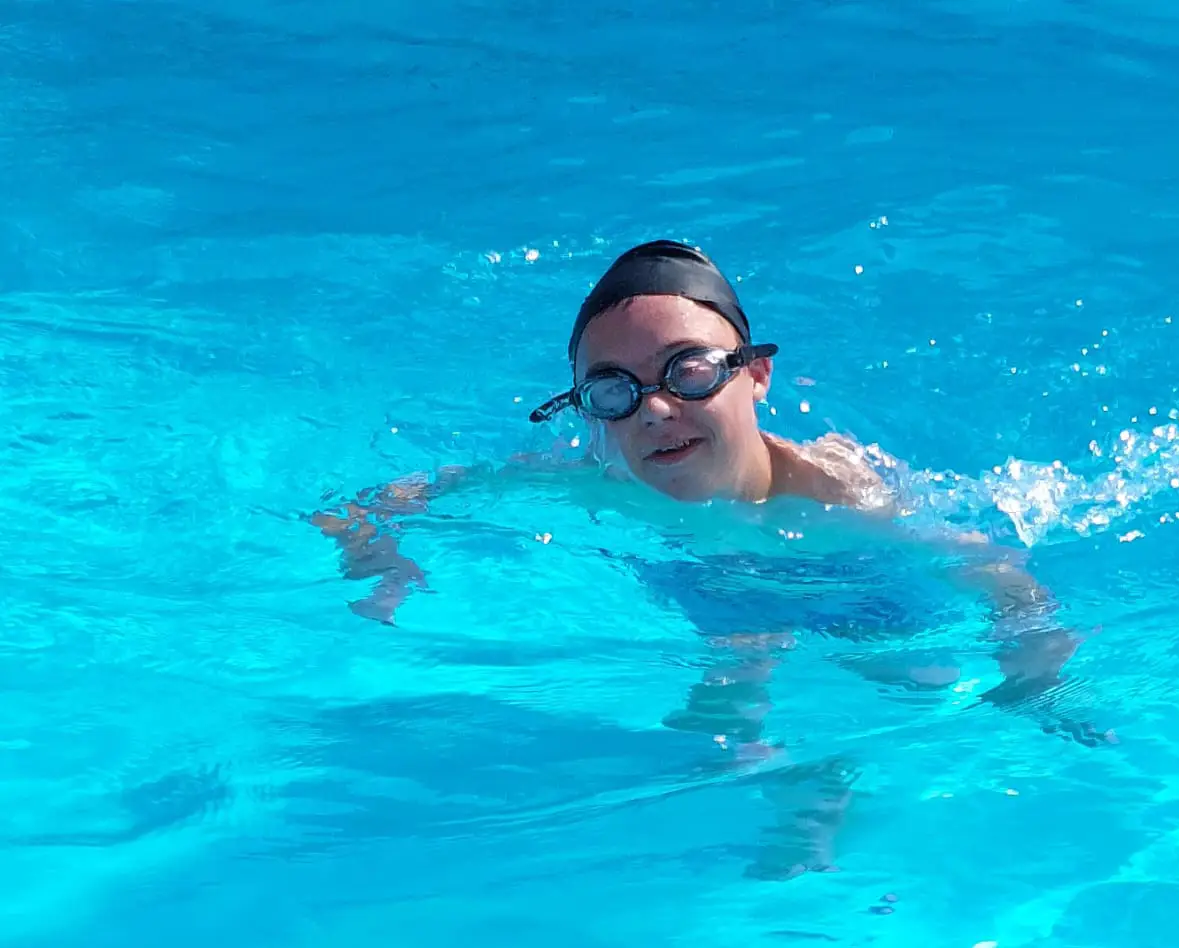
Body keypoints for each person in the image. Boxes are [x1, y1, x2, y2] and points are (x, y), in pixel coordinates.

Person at [309, 238, 1113, 877]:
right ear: (589, 412)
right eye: (614, 390)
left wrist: (1036, 668)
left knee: (915, 688)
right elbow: (365, 503)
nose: (656, 409)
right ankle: (810, 788)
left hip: (858, 586)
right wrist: (382, 559)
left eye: (688, 372)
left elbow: (999, 573)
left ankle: (841, 775)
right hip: (712, 586)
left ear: (755, 375)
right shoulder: (599, 479)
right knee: (716, 720)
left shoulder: (837, 496)